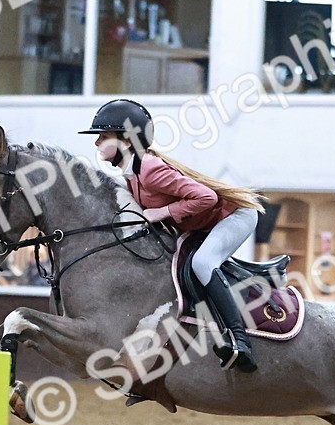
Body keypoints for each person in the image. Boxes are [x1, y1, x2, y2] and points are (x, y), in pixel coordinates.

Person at [80, 99, 264, 373]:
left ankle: (240, 342)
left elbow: (207, 197)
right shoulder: (133, 174)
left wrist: (162, 211)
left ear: (127, 142)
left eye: (103, 136)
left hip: (235, 216)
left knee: (202, 263)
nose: (97, 143)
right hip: (205, 224)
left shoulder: (151, 170)